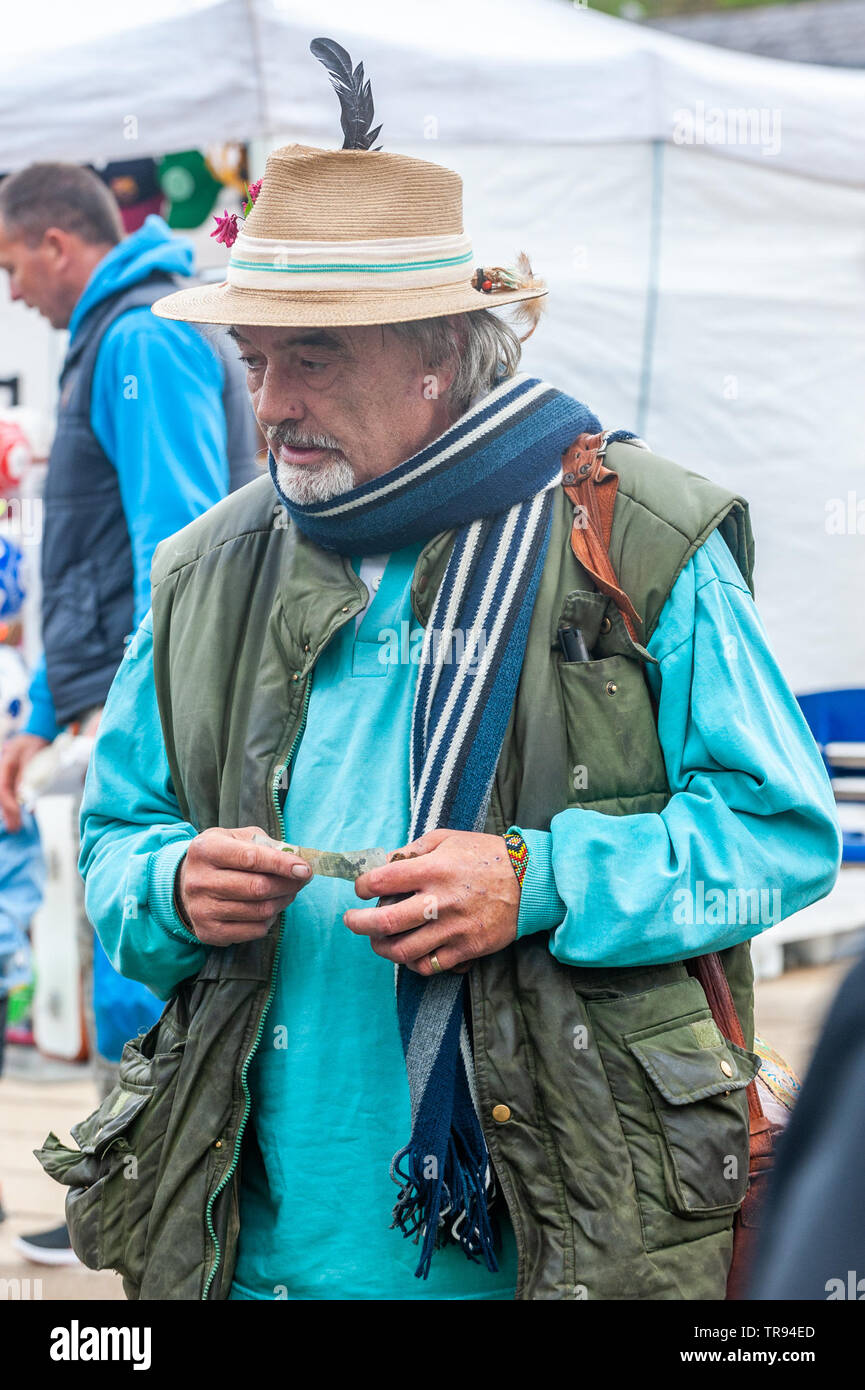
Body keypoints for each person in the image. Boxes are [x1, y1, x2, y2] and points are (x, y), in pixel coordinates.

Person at [51, 110, 841, 1301]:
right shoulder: (206, 572)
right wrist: (170, 883)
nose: (268, 407)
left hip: (559, 1237)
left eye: (311, 359)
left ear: (440, 350)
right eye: (255, 362)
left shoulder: (629, 533)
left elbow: (777, 832)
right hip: (251, 1246)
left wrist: (541, 880)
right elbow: (116, 841)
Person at [0, 162, 257, 1265]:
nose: (12, 292)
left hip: (160, 704)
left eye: (11, 265)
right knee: (124, 950)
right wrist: (47, 710)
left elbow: (182, 545)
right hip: (117, 692)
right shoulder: (120, 329)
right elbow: (87, 558)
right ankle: (129, 1187)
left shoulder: (143, 335)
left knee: (138, 952)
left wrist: (143, 719)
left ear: (58, 243)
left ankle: (152, 1205)